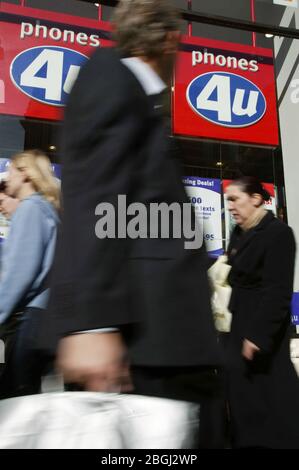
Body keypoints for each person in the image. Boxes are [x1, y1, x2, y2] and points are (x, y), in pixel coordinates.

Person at [42, 0, 222, 447]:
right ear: (170, 40)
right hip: (141, 345)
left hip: (164, 344)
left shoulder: (139, 104)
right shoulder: (111, 79)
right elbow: (94, 198)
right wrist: (90, 324)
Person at [225, 176, 299, 449]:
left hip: (261, 328)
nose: (230, 206)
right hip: (238, 321)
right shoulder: (239, 231)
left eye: (235, 199)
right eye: (227, 200)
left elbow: (278, 291)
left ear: (256, 199)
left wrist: (257, 335)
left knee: (272, 395)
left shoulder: (278, 233)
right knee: (244, 395)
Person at [0, 150, 60, 398]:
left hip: (33, 318)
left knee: (16, 400)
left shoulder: (30, 209)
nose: (7, 180)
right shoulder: (48, 211)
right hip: (45, 317)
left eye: (11, 172)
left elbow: (19, 274)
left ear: (25, 174)